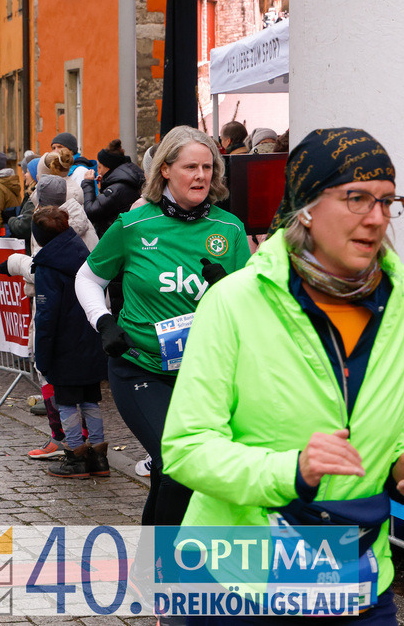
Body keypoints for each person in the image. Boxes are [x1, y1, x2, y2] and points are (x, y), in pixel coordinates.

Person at [162, 127, 404, 625]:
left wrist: (401, 464)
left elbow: (379, 410)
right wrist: (290, 472)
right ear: (306, 207)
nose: (376, 219)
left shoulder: (399, 298)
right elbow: (186, 446)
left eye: (386, 201)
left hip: (357, 577)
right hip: (240, 584)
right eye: (356, 199)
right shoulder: (235, 302)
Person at [75, 125, 252, 525]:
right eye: (191, 166)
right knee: (179, 464)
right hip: (142, 367)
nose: (202, 176)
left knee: (170, 474)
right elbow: (87, 277)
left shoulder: (230, 229)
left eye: (208, 167)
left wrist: (229, 288)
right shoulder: (135, 226)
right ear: (165, 171)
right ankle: (168, 574)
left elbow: (254, 302)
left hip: (205, 376)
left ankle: (149, 573)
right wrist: (103, 322)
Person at [30, 206, 109, 478]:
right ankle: (99, 457)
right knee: (90, 399)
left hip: (64, 345)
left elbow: (46, 316)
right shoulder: (83, 252)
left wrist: (43, 355)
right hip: (89, 339)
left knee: (66, 402)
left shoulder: (47, 265)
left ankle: (75, 455)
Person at [81, 139, 146, 237]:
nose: (99, 172)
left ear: (108, 167)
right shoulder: (127, 177)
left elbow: (91, 211)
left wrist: (88, 183)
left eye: (100, 168)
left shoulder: (116, 188)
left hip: (114, 237)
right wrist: (105, 182)